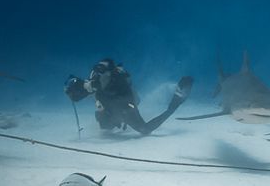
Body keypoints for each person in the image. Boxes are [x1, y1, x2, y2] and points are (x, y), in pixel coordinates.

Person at [65, 58, 193, 136]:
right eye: (98, 73)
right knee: (104, 125)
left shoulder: (117, 80)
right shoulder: (96, 80)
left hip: (126, 107)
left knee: (145, 129)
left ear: (110, 73)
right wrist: (74, 90)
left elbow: (121, 96)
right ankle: (115, 121)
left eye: (103, 73)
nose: (99, 76)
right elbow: (84, 93)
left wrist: (95, 89)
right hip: (112, 108)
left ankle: (176, 101)